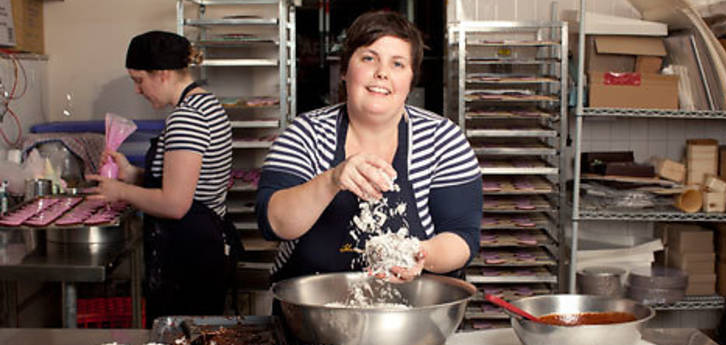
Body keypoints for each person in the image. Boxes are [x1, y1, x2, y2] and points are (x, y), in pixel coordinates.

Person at [256, 11, 482, 284]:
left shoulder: (442, 140)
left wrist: (420, 253)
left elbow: (462, 237)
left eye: (397, 64)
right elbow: (274, 224)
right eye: (368, 58)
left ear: (411, 80)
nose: (382, 73)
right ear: (344, 70)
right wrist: (332, 179)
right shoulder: (306, 134)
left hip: (412, 311)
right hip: (310, 311)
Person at [87, 31, 240, 325]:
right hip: (204, 247)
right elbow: (188, 180)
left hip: (189, 259)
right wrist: (132, 175)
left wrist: (119, 191)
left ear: (163, 74)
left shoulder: (187, 118)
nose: (137, 90)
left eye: (139, 80)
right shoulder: (207, 105)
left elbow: (175, 203)